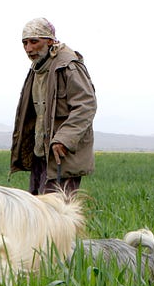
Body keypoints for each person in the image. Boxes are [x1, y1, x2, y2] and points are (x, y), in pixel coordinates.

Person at [9, 17, 97, 195]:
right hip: (41, 154)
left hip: (61, 156)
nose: (29, 48)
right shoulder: (38, 68)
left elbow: (86, 105)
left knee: (57, 216)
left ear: (50, 41)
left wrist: (64, 139)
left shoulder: (68, 65)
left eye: (34, 41)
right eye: (25, 43)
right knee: (36, 212)